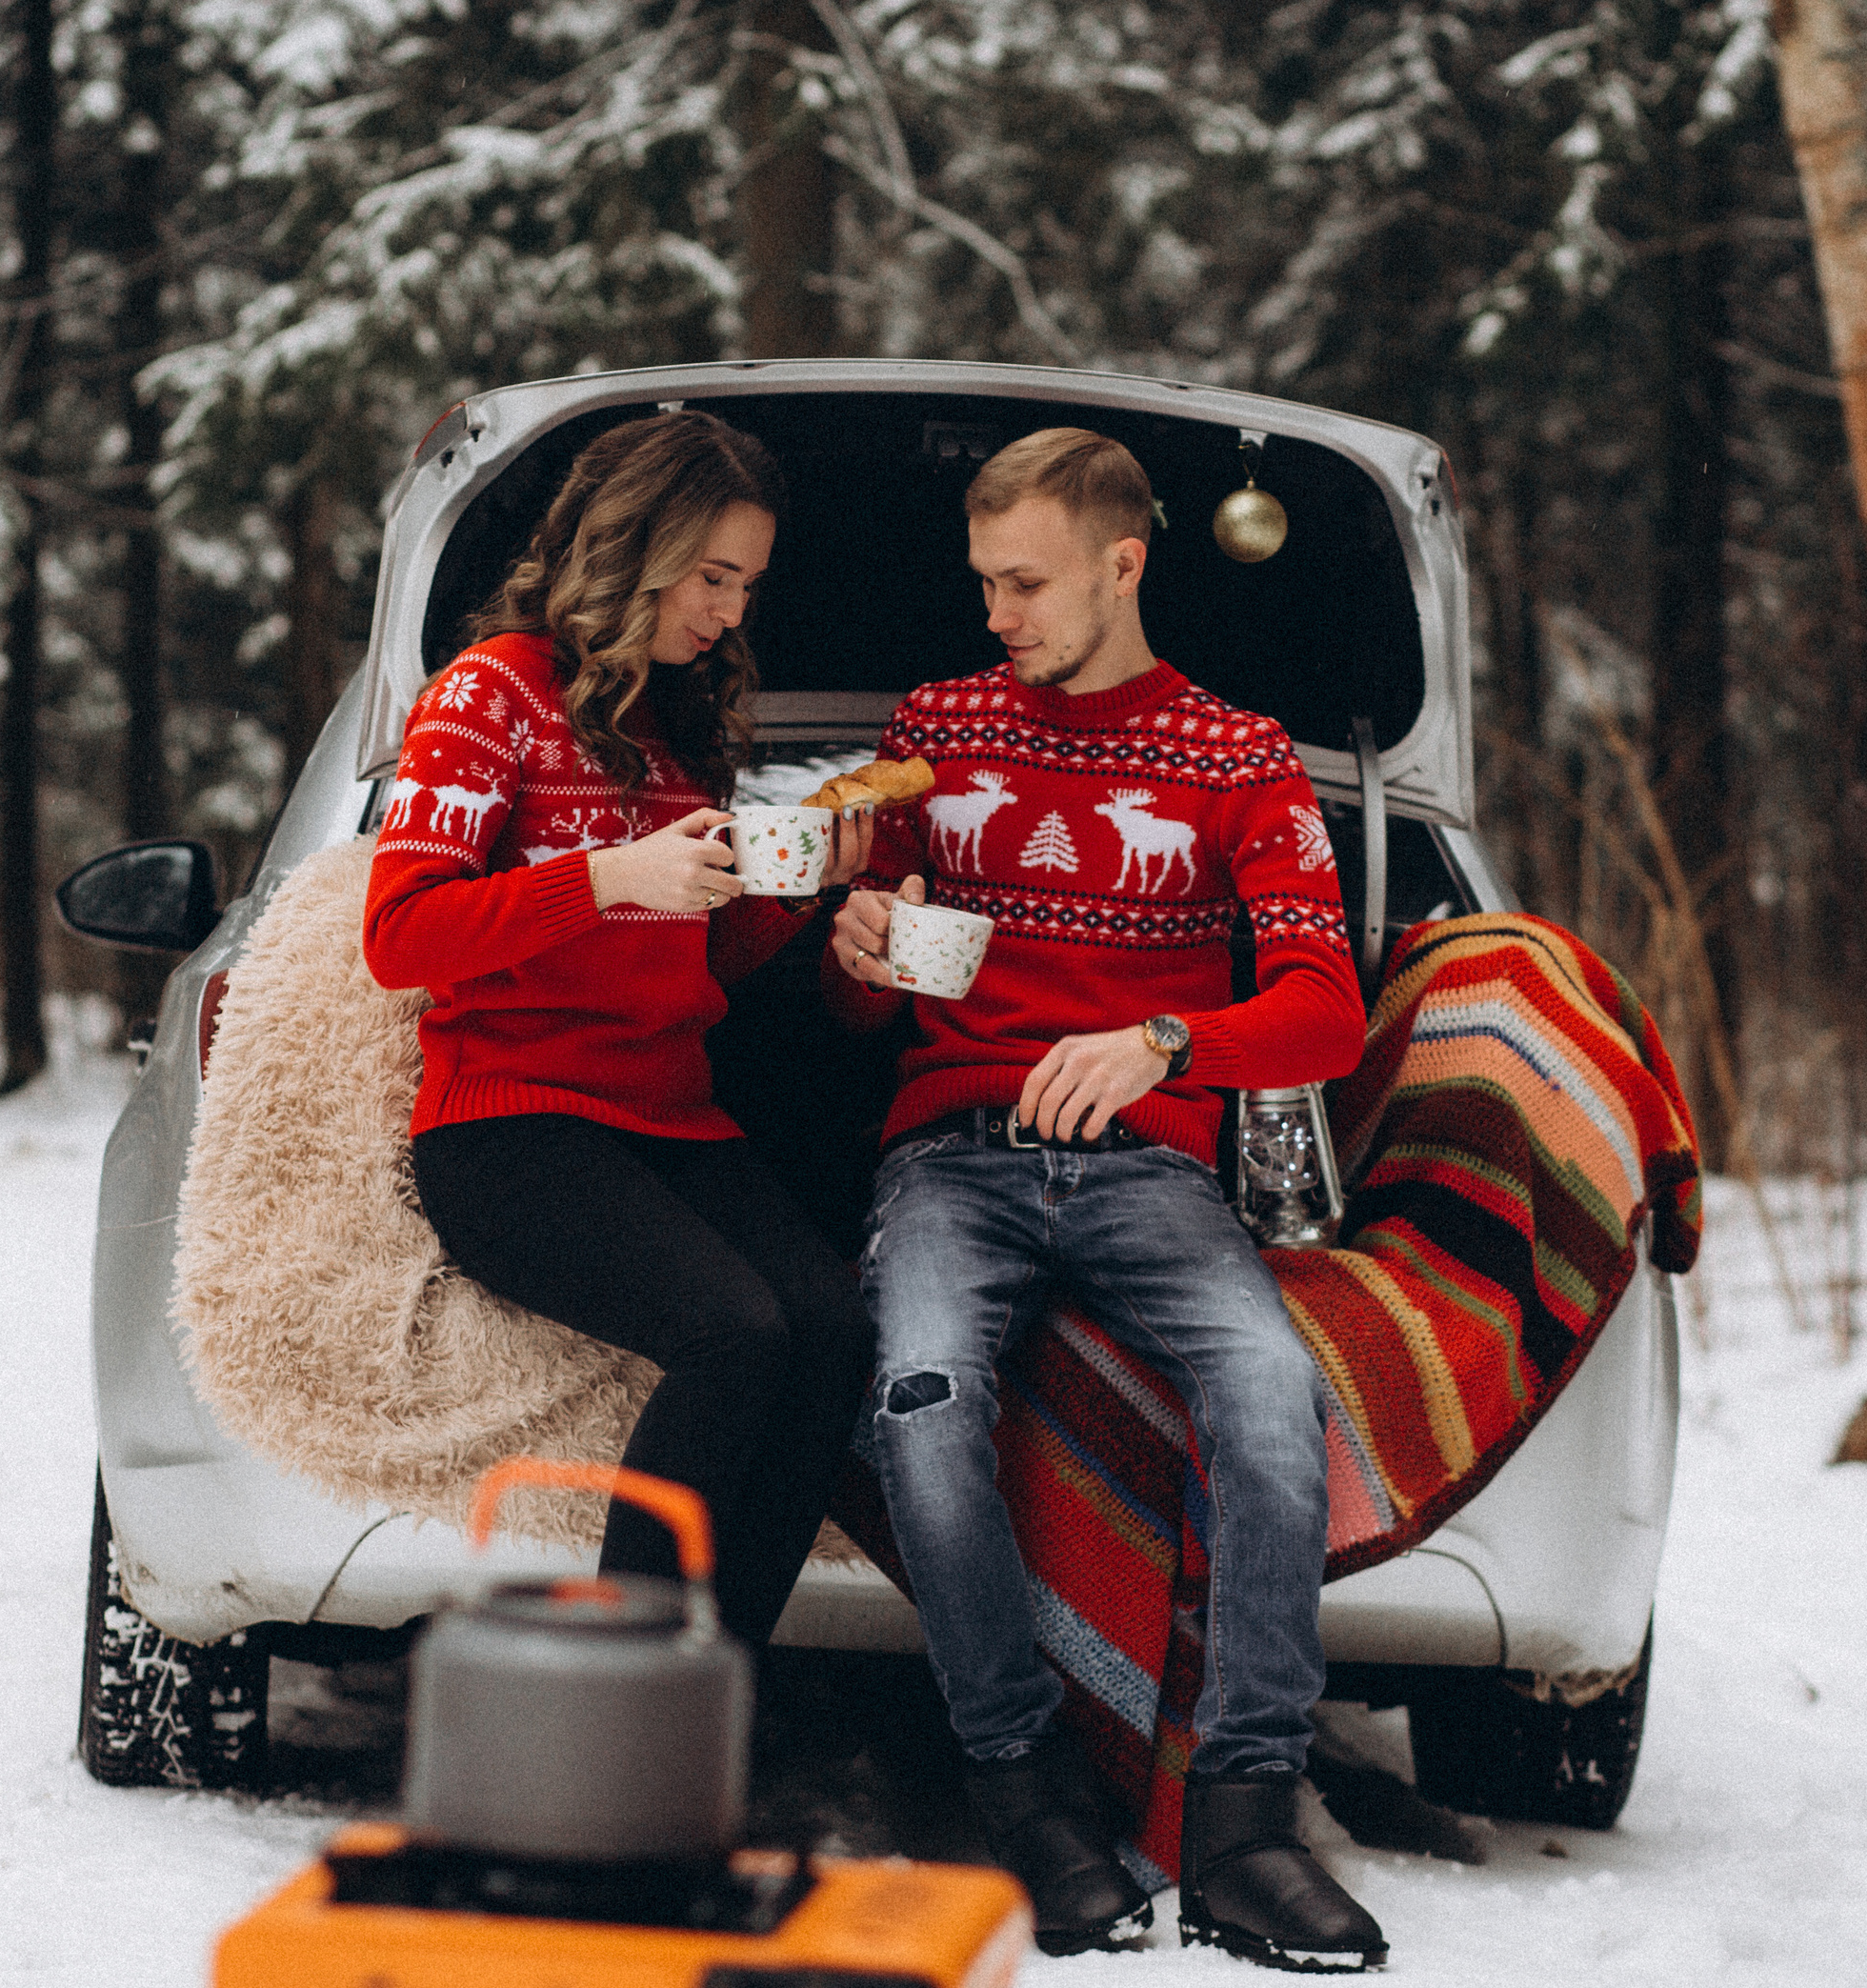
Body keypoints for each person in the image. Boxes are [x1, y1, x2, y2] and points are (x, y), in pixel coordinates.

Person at [826, 428, 1386, 1971]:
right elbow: (861, 1004)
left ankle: (1248, 1822)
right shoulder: (934, 730)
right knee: (923, 1394)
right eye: (984, 581)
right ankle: (1027, 1793)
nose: (998, 612)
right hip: (953, 1154)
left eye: (1028, 581)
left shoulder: (1238, 759)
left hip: (1152, 1171)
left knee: (1273, 1395)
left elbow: (1326, 1013)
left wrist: (1163, 1042)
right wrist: (861, 951)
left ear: (1124, 565)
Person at [362, 409, 877, 1649]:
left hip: (666, 1116)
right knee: (733, 1333)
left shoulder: (671, 724)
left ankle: (711, 1687)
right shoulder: (490, 693)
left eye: (747, 584)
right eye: (713, 578)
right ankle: (620, 1686)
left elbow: (691, 954)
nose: (733, 611)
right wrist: (605, 877)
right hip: (512, 1126)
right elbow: (401, 936)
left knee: (836, 1327)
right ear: (634, 546)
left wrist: (798, 889)